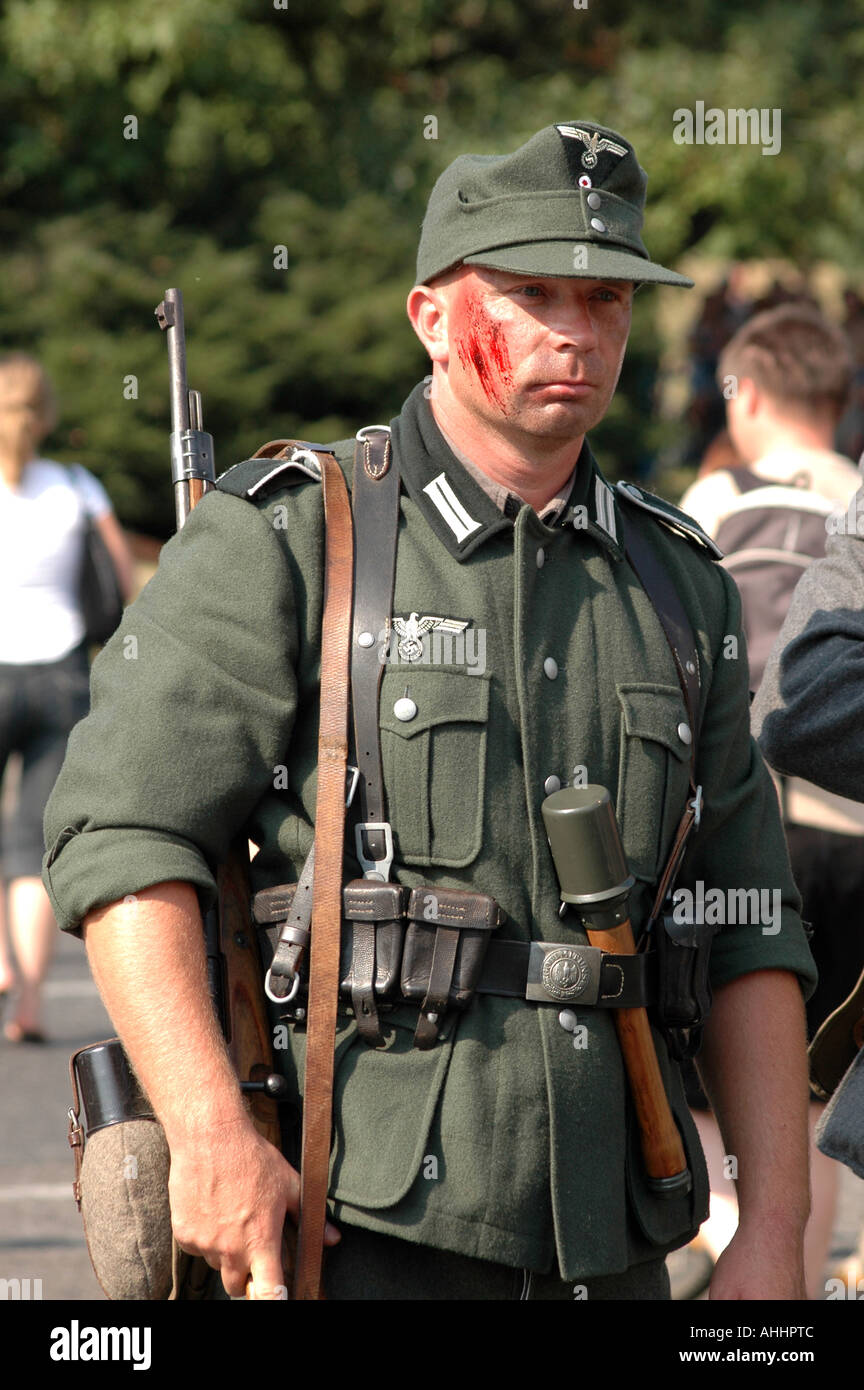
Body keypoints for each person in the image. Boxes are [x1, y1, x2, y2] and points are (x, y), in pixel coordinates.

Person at [43, 121, 816, 1301]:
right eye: (532, 293)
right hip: (350, 1222)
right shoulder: (295, 539)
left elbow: (748, 922)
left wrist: (774, 1226)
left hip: (611, 1238)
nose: (577, 329)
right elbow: (122, 833)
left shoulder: (678, 583)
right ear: (432, 319)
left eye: (607, 298)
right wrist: (205, 1131)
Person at [679, 304, 863, 1298]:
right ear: (837, 405)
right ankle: (801, 1284)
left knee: (726, 1074)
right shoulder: (856, 493)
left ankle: (720, 1262)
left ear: (742, 397)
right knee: (823, 1091)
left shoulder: (708, 501)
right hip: (854, 830)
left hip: (740, 829)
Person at [0, 354, 134, 1044]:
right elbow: (118, 579)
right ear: (45, 414)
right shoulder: (78, 485)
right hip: (60, 676)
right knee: (31, 843)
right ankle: (28, 1006)